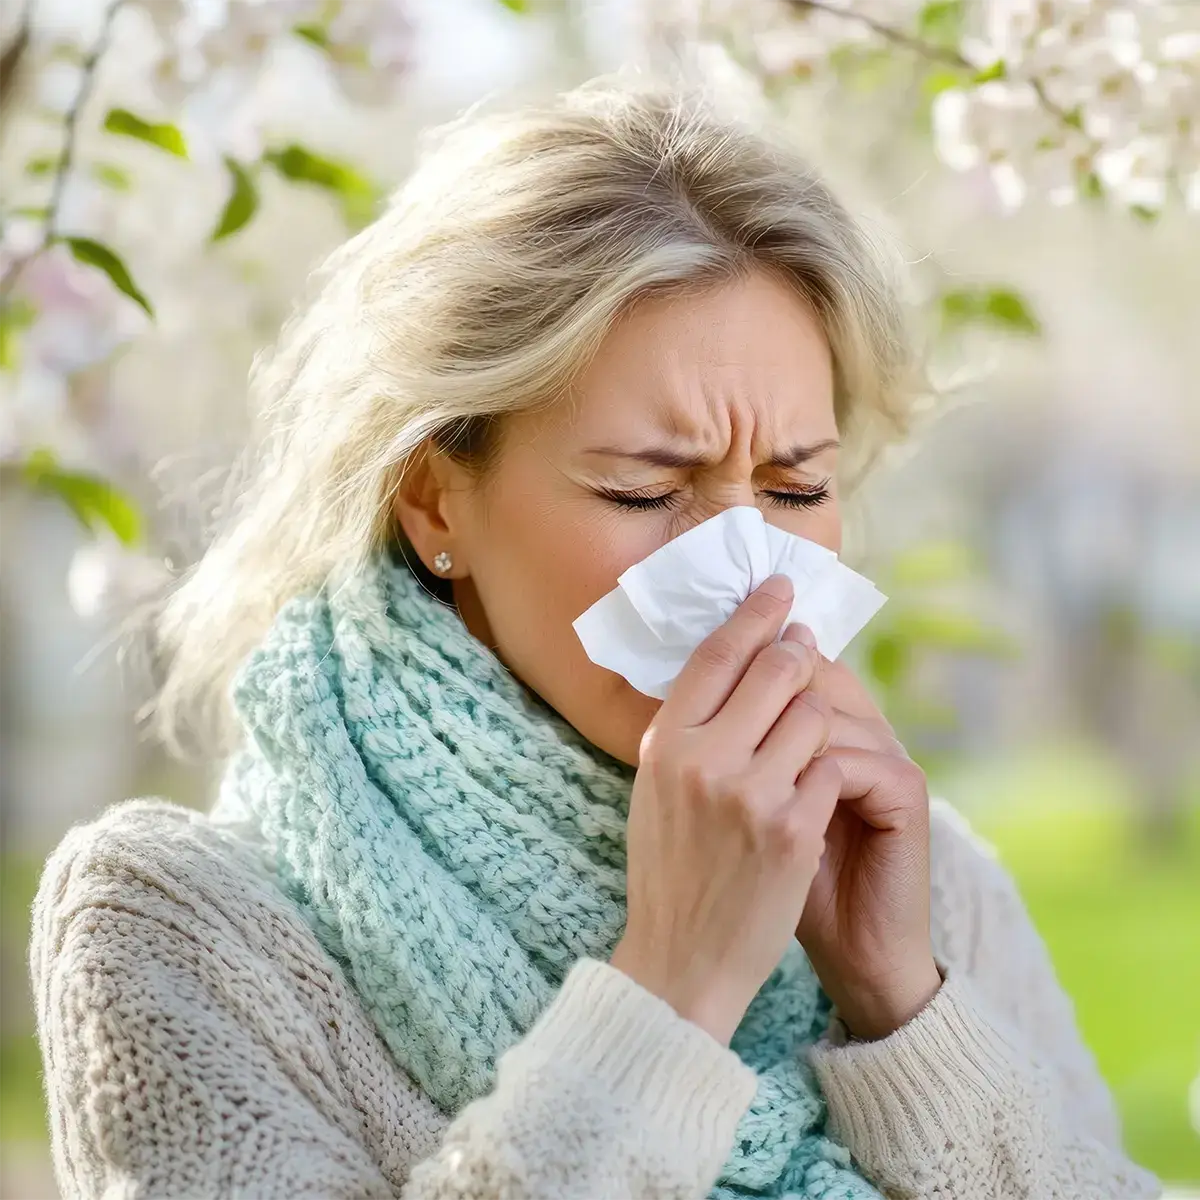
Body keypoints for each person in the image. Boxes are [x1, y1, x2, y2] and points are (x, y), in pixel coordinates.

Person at [30, 80, 1160, 1200]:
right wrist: (670, 995)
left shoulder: (927, 885)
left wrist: (903, 1005)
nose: (744, 580)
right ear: (435, 504)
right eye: (641, 490)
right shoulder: (179, 924)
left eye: (795, 484)